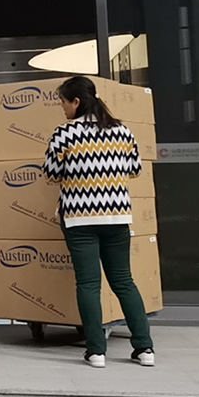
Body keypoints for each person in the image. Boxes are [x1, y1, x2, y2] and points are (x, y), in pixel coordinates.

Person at [42, 76, 154, 369]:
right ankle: (144, 348)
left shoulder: (65, 133)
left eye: (63, 102)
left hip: (79, 218)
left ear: (76, 102)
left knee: (88, 284)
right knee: (124, 281)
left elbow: (50, 173)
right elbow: (135, 169)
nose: (62, 108)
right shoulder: (122, 131)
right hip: (117, 217)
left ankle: (96, 352)